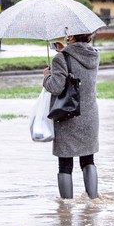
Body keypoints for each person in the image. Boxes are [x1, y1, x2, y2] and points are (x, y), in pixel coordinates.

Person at [43, 33, 101, 200]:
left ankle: (66, 207)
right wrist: (65, 52)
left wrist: (47, 76)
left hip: (68, 115)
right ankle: (93, 200)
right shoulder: (94, 55)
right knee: (88, 159)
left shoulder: (60, 58)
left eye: (68, 34)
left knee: (65, 163)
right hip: (90, 116)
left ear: (72, 36)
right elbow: (77, 64)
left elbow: (56, 87)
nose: (65, 36)